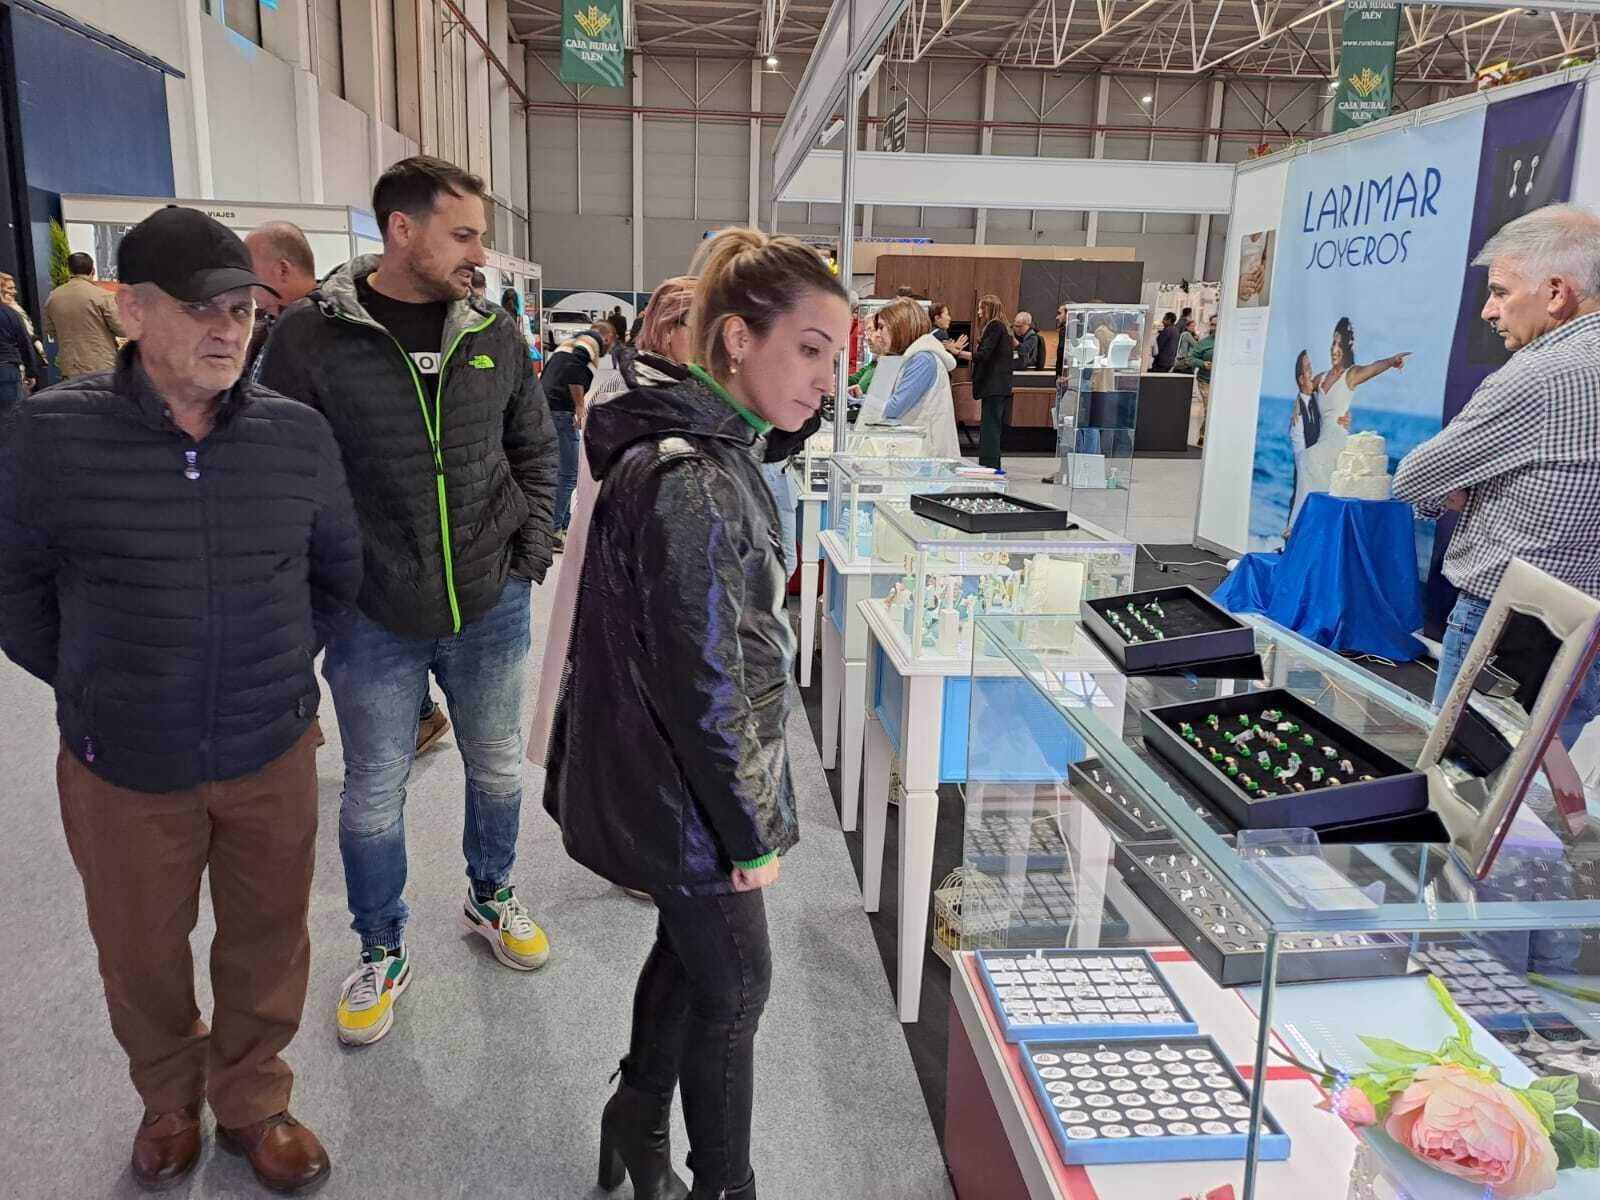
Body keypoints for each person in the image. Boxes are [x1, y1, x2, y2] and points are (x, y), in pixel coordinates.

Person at [0, 206, 362, 1194]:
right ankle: (167, 1098)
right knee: (140, 951)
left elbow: (335, 574)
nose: (228, 329)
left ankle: (254, 1099)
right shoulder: (51, 434)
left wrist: (276, 665)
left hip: (268, 748)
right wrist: (96, 678)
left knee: (268, 939)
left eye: (244, 309)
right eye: (203, 309)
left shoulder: (295, 438)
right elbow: (15, 588)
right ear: (131, 311)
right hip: (122, 763)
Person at [545, 227, 850, 1200]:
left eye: (837, 356)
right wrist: (746, 830)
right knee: (736, 987)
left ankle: (633, 1125)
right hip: (687, 792)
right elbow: (707, 687)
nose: (826, 379)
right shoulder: (700, 482)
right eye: (808, 349)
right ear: (732, 340)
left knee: (692, 957)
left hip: (660, 777)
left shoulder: (689, 447)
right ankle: (720, 1184)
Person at [257, 155, 559, 1047]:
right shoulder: (310, 340)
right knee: (373, 792)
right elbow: (280, 474)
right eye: (463, 234)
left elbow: (535, 448)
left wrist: (527, 553)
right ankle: (381, 945)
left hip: (488, 601)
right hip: (371, 613)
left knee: (498, 766)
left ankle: (491, 894)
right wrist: (325, 581)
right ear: (402, 230)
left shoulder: (493, 331)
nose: (480, 253)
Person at [1393, 204, 1600, 746]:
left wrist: (1467, 491)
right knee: (1535, 792)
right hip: (1588, 630)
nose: (1489, 310)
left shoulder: (1541, 373)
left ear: (1556, 292)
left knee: (1461, 797)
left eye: (1501, 292)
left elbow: (1414, 477)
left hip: (1509, 631)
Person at [1299, 317, 1409, 492]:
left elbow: (1372, 368)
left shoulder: (1350, 375)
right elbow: (1304, 395)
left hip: (1336, 442)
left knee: (1310, 458)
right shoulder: (1321, 378)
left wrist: (1391, 361)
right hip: (1321, 439)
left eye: (1339, 345)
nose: (1334, 350)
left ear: (1347, 347)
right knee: (1307, 462)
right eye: (1332, 344)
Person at [541, 320, 616, 549]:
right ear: (607, 337)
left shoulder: (571, 342)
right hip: (561, 409)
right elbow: (575, 370)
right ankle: (553, 531)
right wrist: (580, 406)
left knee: (562, 472)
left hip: (547, 406)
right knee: (569, 474)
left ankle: (562, 527)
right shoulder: (591, 340)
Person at [858, 297, 960, 459]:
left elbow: (894, 408)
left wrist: (860, 402)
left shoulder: (923, 359)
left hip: (925, 457)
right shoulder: (912, 357)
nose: (877, 334)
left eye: (881, 327)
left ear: (900, 326)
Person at [244, 220, 318, 376]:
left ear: (282, 270)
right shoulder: (264, 326)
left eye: (250, 271)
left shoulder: (331, 334)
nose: (246, 284)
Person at [43, 251, 124, 380]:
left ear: (69, 270)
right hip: (101, 366)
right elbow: (122, 329)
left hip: (70, 367)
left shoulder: (53, 297)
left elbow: (51, 331)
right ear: (93, 270)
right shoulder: (103, 296)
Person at [971, 293, 1015, 469]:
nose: (979, 312)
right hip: (998, 386)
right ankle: (990, 464)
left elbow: (983, 355)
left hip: (993, 386)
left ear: (990, 308)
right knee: (992, 426)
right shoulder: (1003, 328)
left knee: (990, 427)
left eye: (982, 308)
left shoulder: (995, 326)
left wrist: (959, 353)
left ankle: (988, 466)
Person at [0, 281, 42, 414]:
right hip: (7, 368)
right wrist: (30, 373)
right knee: (11, 416)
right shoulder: (10, 313)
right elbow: (25, 344)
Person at [1189, 316, 1218, 446]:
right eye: (1212, 324)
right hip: (1205, 381)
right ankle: (1204, 437)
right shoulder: (1204, 343)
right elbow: (1190, 359)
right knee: (1209, 408)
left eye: (1216, 324)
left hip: (1224, 383)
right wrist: (1202, 363)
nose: (1214, 327)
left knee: (1217, 410)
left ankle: (1210, 436)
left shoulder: (1232, 341)